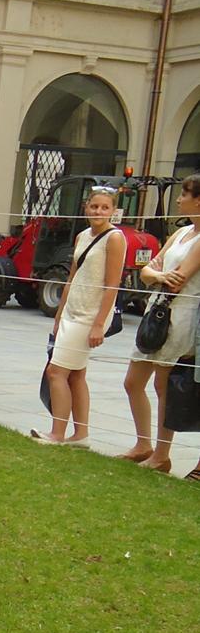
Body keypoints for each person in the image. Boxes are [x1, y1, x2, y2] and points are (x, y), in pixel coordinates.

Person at [30, 186, 125, 444]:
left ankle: (58, 432)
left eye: (105, 207)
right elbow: (72, 276)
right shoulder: (82, 236)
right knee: (76, 373)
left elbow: (112, 284)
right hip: (73, 310)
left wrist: (98, 324)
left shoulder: (115, 238)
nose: (98, 211)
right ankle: (80, 433)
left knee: (56, 372)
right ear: (86, 208)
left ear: (113, 211)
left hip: (90, 314)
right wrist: (59, 314)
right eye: (94, 206)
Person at [119, 175, 200, 474]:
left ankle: (162, 453)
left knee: (163, 383)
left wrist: (159, 275)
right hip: (157, 310)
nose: (178, 200)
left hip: (180, 315)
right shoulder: (180, 234)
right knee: (133, 381)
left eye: (183, 194)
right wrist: (157, 275)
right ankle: (143, 443)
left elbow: (179, 277)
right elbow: (148, 270)